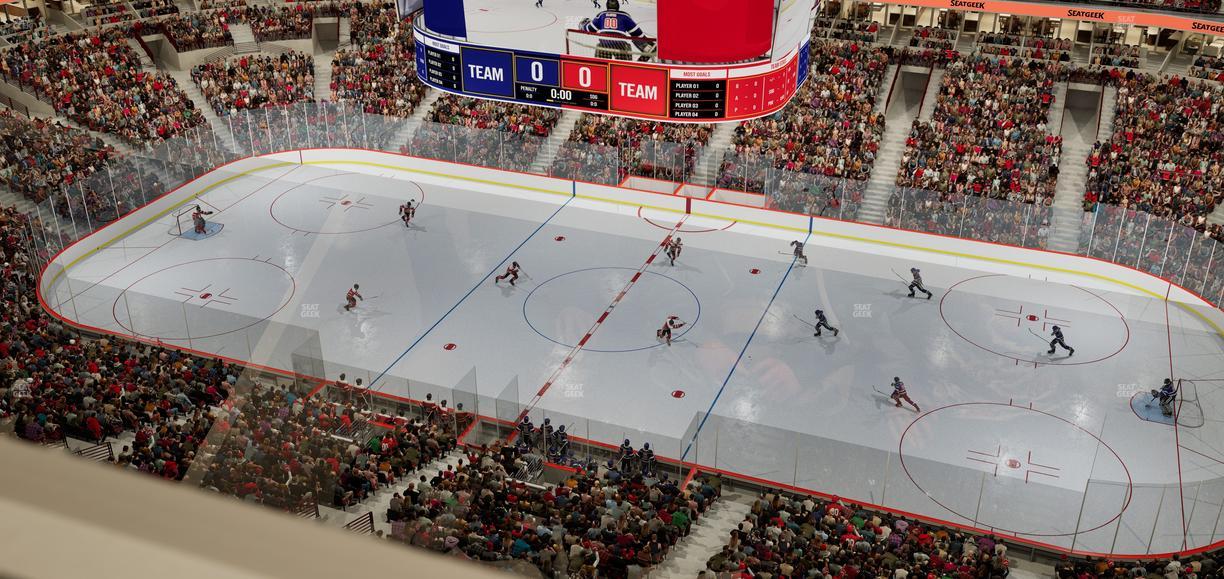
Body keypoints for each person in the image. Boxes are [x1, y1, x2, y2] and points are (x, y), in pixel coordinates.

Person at [581, 0, 652, 61]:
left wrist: (584, 24)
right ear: (618, 6)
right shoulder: (625, 16)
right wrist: (650, 42)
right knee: (626, 56)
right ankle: (626, 69)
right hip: (620, 46)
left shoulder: (601, 15)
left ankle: (601, 69)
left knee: (600, 50)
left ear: (607, 6)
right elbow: (638, 34)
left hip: (604, 45)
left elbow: (588, 29)